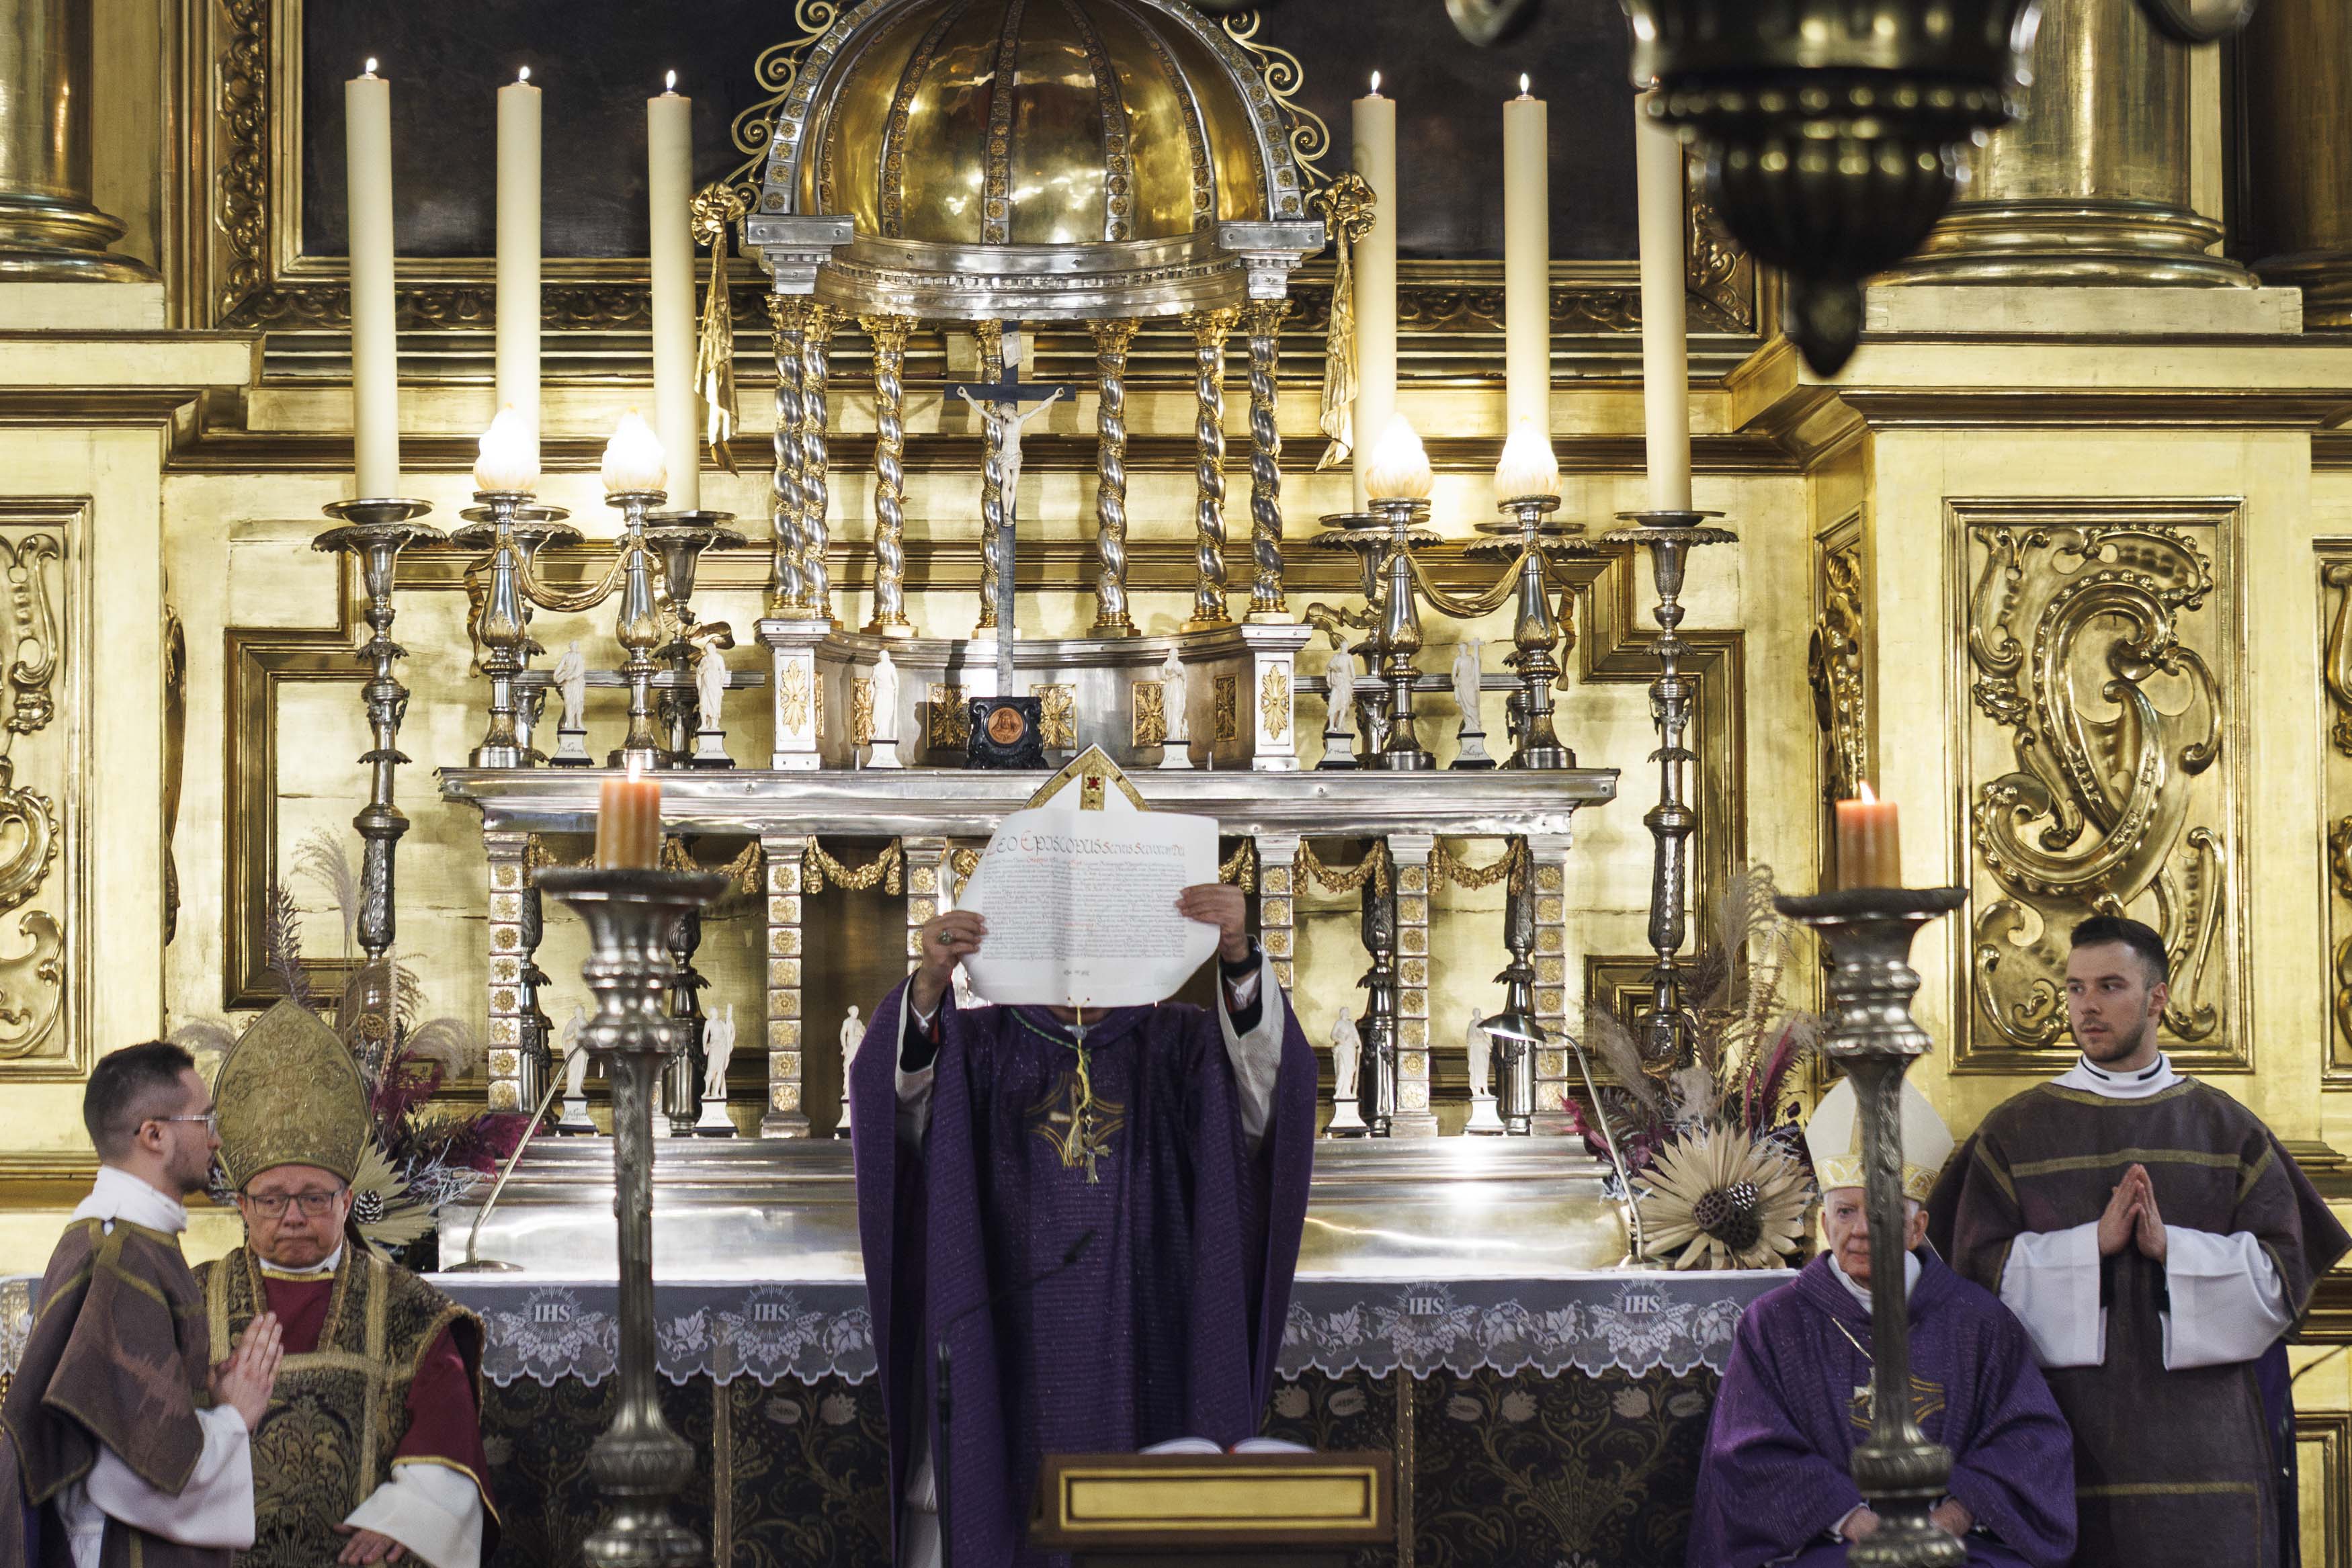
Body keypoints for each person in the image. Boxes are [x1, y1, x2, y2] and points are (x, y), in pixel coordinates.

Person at [849, 881, 1315, 1568]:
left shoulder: (1180, 1044)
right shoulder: (977, 1045)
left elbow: (1266, 1100)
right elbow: (899, 1120)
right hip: (1001, 1339)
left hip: (1153, 1334)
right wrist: (927, 989)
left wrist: (1238, 959)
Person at [1929, 915, 2351, 1568]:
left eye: (2109, 986)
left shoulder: (2227, 1129)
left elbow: (2282, 1280)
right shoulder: (2013, 1132)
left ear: (2157, 999)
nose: (2086, 1007)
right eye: (2074, 988)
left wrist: (2172, 1251)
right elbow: (1969, 1279)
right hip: (2059, 1442)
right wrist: (2087, 1248)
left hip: (2209, 1458)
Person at [1690, 1078, 2076, 1568]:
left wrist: (1951, 1518)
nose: (1860, 1230)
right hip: (1831, 1545)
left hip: (1954, 1544)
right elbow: (1749, 1453)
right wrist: (1855, 1521)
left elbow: (2031, 1443)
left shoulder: (1979, 1322)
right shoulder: (1774, 1325)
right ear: (1824, 1225)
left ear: (1917, 1229)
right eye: (1845, 1212)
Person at [192, 1002, 495, 1568]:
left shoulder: (407, 1309)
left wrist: (408, 1516)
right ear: (243, 1206)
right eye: (272, 1199)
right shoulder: (191, 1300)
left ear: (347, 1201)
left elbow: (446, 1426)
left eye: (313, 1197)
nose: (293, 1216)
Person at [0, 1041, 280, 1568]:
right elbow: (136, 1470)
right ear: (154, 1135)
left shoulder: (129, 1238)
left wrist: (204, 1400)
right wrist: (232, 1417)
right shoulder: (121, 1253)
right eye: (205, 1120)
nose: (216, 1138)